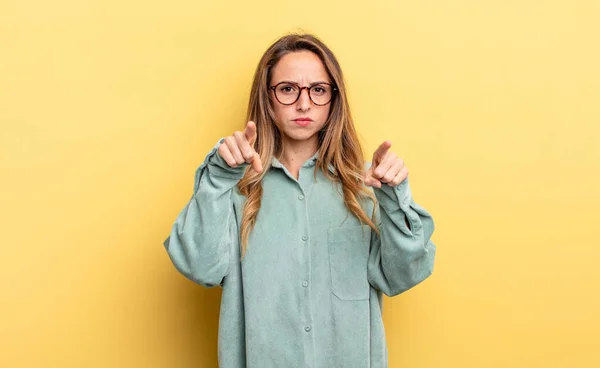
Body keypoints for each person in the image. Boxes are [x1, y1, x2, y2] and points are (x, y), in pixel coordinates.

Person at [163, 33, 437, 368]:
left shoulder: (367, 187)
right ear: (268, 99)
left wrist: (395, 199)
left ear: (333, 100)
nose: (304, 104)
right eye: (288, 89)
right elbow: (199, 267)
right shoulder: (234, 190)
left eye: (318, 90)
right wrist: (218, 177)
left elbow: (403, 275)